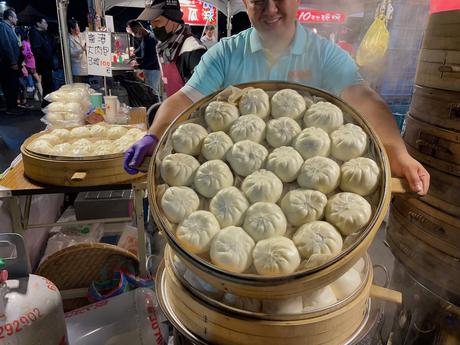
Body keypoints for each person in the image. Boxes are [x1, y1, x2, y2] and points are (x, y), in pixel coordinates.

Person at [125, 0, 430, 195]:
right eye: (258, 0)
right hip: (232, 186)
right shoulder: (227, 54)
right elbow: (185, 99)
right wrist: (154, 135)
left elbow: (365, 100)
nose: (270, 8)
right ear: (246, 3)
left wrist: (397, 152)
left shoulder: (323, 55)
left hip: (312, 189)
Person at [137, 0, 206, 98]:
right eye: (151, 23)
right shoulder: (163, 47)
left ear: (173, 18)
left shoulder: (192, 48)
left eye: (157, 21)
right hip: (173, 108)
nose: (154, 27)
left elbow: (204, 93)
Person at [126, 19, 161, 97]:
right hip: (148, 68)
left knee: (152, 92)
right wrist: (134, 53)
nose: (134, 35)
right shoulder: (145, 37)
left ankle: (155, 107)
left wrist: (139, 66)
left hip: (153, 70)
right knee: (148, 91)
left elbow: (152, 59)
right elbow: (142, 49)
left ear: (139, 28)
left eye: (134, 32)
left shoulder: (151, 39)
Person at [0, 8, 21, 114]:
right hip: (7, 64)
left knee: (13, 85)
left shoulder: (9, 27)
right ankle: (11, 108)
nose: (17, 19)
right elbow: (6, 45)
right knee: (10, 85)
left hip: (11, 62)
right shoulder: (3, 27)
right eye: (15, 17)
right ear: (10, 17)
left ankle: (14, 106)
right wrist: (13, 62)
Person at [29, 16, 54, 102]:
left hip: (47, 64)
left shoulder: (43, 33)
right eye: (44, 22)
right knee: (47, 86)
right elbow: (37, 51)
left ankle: (46, 104)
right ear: (38, 23)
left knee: (48, 86)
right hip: (44, 65)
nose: (46, 24)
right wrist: (47, 59)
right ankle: (46, 104)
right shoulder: (35, 34)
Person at [68, 19, 88, 83]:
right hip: (77, 68)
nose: (78, 29)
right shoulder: (69, 39)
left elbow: (87, 31)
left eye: (78, 27)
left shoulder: (82, 35)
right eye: (76, 28)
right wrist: (81, 50)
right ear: (71, 29)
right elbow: (71, 53)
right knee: (79, 85)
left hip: (86, 65)